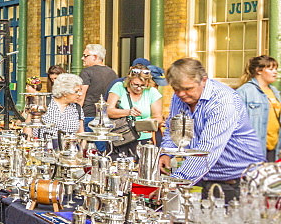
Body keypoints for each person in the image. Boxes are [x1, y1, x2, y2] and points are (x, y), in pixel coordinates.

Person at [159, 58, 263, 202]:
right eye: (177, 90)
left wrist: (175, 184)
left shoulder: (224, 101)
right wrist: (166, 153)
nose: (182, 94)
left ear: (204, 80)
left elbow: (207, 149)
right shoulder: (179, 98)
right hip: (208, 176)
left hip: (239, 180)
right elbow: (175, 128)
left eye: (188, 89)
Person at [107, 68, 163, 158]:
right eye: (135, 85)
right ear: (129, 81)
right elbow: (109, 111)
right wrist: (128, 112)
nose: (139, 88)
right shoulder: (119, 87)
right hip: (122, 137)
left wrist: (150, 125)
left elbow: (158, 117)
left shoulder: (152, 92)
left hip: (144, 138)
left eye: (143, 85)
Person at [236, 55, 281, 162]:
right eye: (270, 69)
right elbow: (235, 123)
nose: (275, 72)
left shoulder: (274, 91)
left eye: (275, 69)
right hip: (254, 149)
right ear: (258, 70)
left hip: (274, 148)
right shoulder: (245, 91)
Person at [79, 45, 117, 149]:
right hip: (106, 118)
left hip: (88, 115)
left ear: (95, 57)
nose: (83, 58)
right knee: (103, 150)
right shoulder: (112, 72)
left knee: (87, 151)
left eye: (85, 56)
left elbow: (81, 96)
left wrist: (77, 115)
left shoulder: (86, 72)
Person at [36, 73, 84, 146]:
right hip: (45, 150)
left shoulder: (77, 108)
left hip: (70, 152)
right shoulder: (45, 104)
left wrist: (81, 151)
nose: (80, 94)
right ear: (65, 92)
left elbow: (81, 134)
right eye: (76, 91)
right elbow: (30, 128)